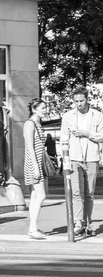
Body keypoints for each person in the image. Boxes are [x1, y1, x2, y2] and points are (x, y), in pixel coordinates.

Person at [60, 86, 103, 236]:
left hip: (92, 158)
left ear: (87, 99)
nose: (79, 104)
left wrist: (86, 133)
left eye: (81, 100)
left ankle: (89, 224)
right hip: (74, 158)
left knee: (89, 193)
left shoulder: (97, 115)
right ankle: (78, 223)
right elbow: (64, 138)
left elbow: (101, 136)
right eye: (76, 101)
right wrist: (64, 159)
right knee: (76, 192)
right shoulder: (68, 116)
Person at [24, 98, 49, 239]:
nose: (45, 110)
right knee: (41, 195)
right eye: (42, 108)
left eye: (45, 107)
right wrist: (35, 167)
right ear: (34, 109)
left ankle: (33, 227)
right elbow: (29, 146)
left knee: (35, 196)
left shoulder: (37, 124)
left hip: (36, 163)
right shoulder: (30, 124)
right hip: (34, 163)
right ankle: (33, 228)